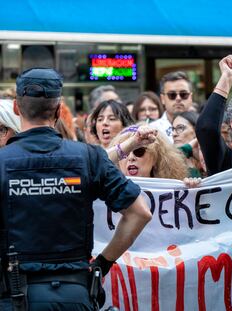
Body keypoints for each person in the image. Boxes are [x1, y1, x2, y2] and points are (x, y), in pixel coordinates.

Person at [0, 68, 152, 310]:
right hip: (75, 295)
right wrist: (102, 263)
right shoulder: (88, 157)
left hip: (15, 296)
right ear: (59, 110)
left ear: (17, 108)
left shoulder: (2, 162)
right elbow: (140, 212)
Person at [108, 124, 188, 180]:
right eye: (124, 153)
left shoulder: (173, 191)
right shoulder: (105, 192)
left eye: (139, 151)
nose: (131, 158)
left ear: (156, 157)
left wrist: (191, 187)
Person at [151, 71, 194, 143]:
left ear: (191, 97)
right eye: (172, 95)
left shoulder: (202, 127)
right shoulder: (152, 130)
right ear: (162, 99)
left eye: (183, 94)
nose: (178, 98)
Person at [172, 111, 204, 177]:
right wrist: (189, 146)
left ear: (196, 130)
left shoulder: (207, 156)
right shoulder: (171, 159)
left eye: (180, 128)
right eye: (173, 129)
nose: (173, 134)